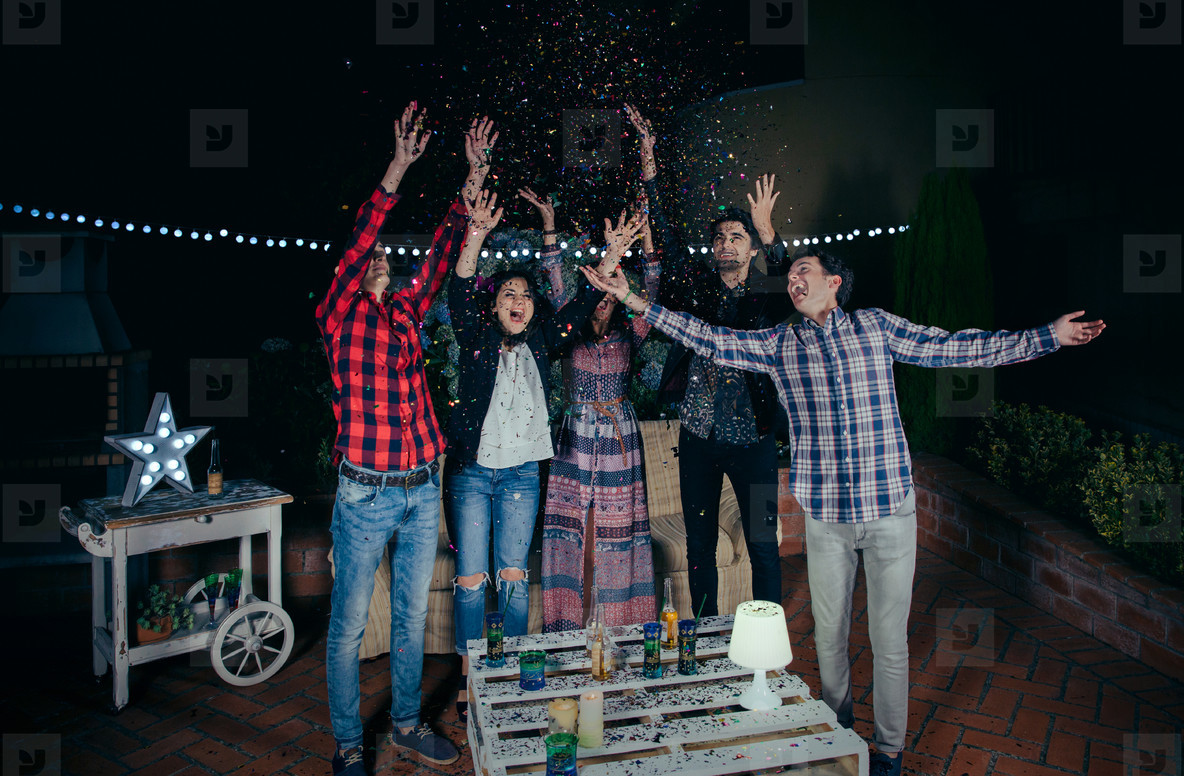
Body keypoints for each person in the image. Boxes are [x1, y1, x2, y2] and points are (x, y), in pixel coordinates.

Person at [579, 247, 1105, 776]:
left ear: (834, 283)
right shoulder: (781, 344)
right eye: (790, 275)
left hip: (888, 511)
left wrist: (1047, 337)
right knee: (829, 638)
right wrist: (631, 298)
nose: (793, 279)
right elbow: (708, 337)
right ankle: (838, 735)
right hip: (827, 518)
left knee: (888, 641)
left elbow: (952, 348)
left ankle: (889, 753)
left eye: (803, 271)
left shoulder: (875, 327)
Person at [316, 105, 496, 774]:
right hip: (365, 495)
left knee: (412, 616)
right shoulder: (338, 315)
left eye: (386, 256)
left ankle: (406, 725)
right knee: (348, 627)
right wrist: (397, 168)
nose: (382, 259)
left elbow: (444, 255)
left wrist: (470, 182)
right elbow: (362, 239)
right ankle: (347, 743)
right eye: (373, 257)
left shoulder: (403, 312)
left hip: (422, 488)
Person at [625, 103, 791, 616]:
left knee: (762, 544)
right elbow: (667, 236)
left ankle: (769, 644)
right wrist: (649, 165)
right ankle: (701, 642)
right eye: (718, 237)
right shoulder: (696, 291)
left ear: (751, 249)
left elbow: (791, 282)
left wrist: (769, 233)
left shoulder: (767, 297)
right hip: (698, 440)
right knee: (700, 547)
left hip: (755, 444)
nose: (724, 243)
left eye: (735, 237)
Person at [446, 189, 604, 718]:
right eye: (508, 294)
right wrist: (475, 235)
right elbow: (459, 289)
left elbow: (580, 306)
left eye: (527, 295)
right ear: (494, 306)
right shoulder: (474, 337)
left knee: (513, 577)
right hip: (472, 474)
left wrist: (611, 257)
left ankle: (509, 674)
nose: (519, 300)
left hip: (520, 476)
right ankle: (471, 676)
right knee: (472, 580)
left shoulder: (541, 341)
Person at [520, 187, 658, 633]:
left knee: (615, 529)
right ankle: (569, 625)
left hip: (619, 435)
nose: (602, 301)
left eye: (610, 294)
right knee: (573, 529)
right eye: (598, 292)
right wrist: (549, 225)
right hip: (575, 434)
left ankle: (617, 625)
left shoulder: (631, 334)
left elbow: (653, 288)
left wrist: (647, 238)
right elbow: (554, 276)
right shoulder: (571, 330)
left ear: (618, 298)